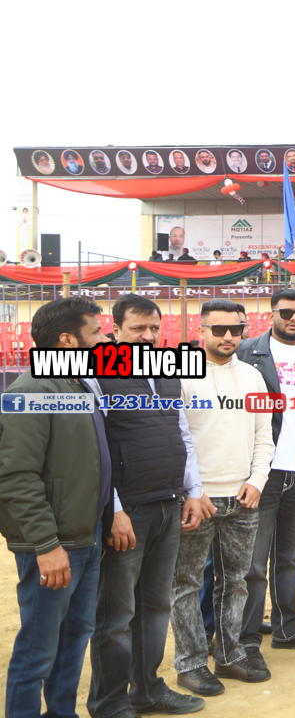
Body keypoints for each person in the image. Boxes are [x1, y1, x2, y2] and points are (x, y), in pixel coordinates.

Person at [85, 296, 207, 718]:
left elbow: (181, 432)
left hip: (169, 504)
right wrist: (114, 509)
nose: (148, 336)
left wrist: (193, 490)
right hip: (128, 512)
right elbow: (97, 446)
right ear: (116, 329)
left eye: (154, 328)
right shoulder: (97, 372)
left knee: (156, 606)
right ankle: (109, 703)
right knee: (116, 615)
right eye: (138, 328)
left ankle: (148, 690)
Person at [1, 298, 109, 718]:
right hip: (53, 544)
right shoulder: (31, 391)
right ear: (67, 340)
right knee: (38, 648)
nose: (103, 339)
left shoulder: (76, 384)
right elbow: (15, 476)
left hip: (85, 536)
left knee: (75, 636)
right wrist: (46, 545)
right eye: (95, 332)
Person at [172, 300, 274, 696]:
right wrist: (193, 491)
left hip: (243, 497)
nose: (229, 336)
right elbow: (175, 439)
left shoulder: (252, 375)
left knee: (235, 581)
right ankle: (191, 663)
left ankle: (230, 655)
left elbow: (265, 434)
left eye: (236, 329)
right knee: (186, 583)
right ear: (201, 331)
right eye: (219, 329)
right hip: (198, 501)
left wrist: (258, 479)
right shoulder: (181, 376)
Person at [234, 291, 295, 660]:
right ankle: (245, 637)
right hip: (262, 471)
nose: (294, 319)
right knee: (253, 562)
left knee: (290, 557)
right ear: (272, 314)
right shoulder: (247, 353)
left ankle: (286, 627)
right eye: (286, 312)